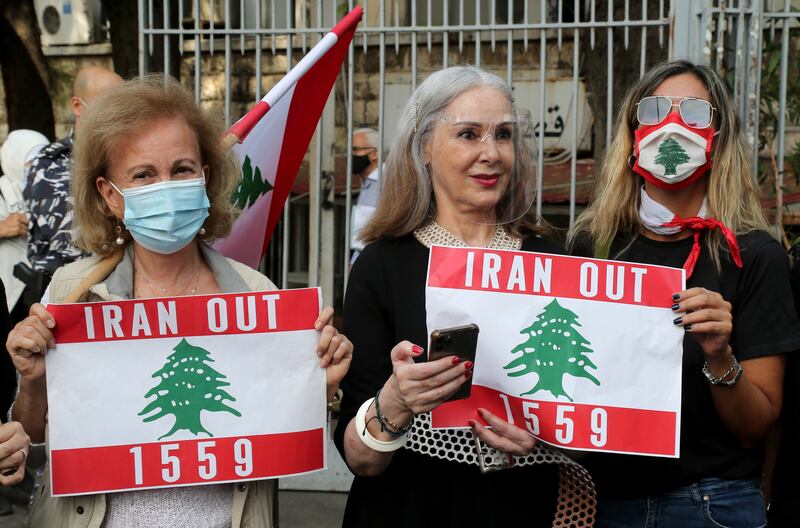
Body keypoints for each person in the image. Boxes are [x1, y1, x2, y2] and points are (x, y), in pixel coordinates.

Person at [6, 75, 353, 528]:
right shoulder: (71, 294)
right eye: (144, 175)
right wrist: (32, 381)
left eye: (182, 169)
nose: (166, 187)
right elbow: (33, 442)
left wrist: (318, 384)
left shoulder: (256, 294)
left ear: (205, 179)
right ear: (110, 195)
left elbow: (280, 434)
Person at [334, 66, 582, 527]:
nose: (491, 153)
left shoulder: (555, 260)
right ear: (424, 147)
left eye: (503, 135)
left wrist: (547, 439)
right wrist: (394, 402)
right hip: (408, 509)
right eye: (469, 134)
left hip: (523, 508)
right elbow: (360, 459)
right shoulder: (381, 266)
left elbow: (588, 412)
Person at [567, 60, 800, 528]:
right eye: (653, 110)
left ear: (719, 135)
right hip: (602, 502)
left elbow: (756, 428)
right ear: (632, 132)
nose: (672, 124)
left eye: (695, 113)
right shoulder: (593, 246)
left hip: (713, 504)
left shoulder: (753, 255)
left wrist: (719, 357)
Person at [24, 66, 123, 277]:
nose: (118, 113)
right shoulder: (52, 163)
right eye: (109, 103)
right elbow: (73, 242)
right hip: (66, 290)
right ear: (78, 106)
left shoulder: (126, 156)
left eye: (123, 103)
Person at [0, 129, 49, 323]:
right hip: (8, 295)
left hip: (43, 293)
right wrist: (3, 227)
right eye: (31, 161)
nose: (39, 167)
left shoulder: (55, 195)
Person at [349, 127, 380, 260]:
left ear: (374, 154)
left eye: (356, 149)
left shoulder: (384, 183)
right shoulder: (367, 182)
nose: (352, 155)